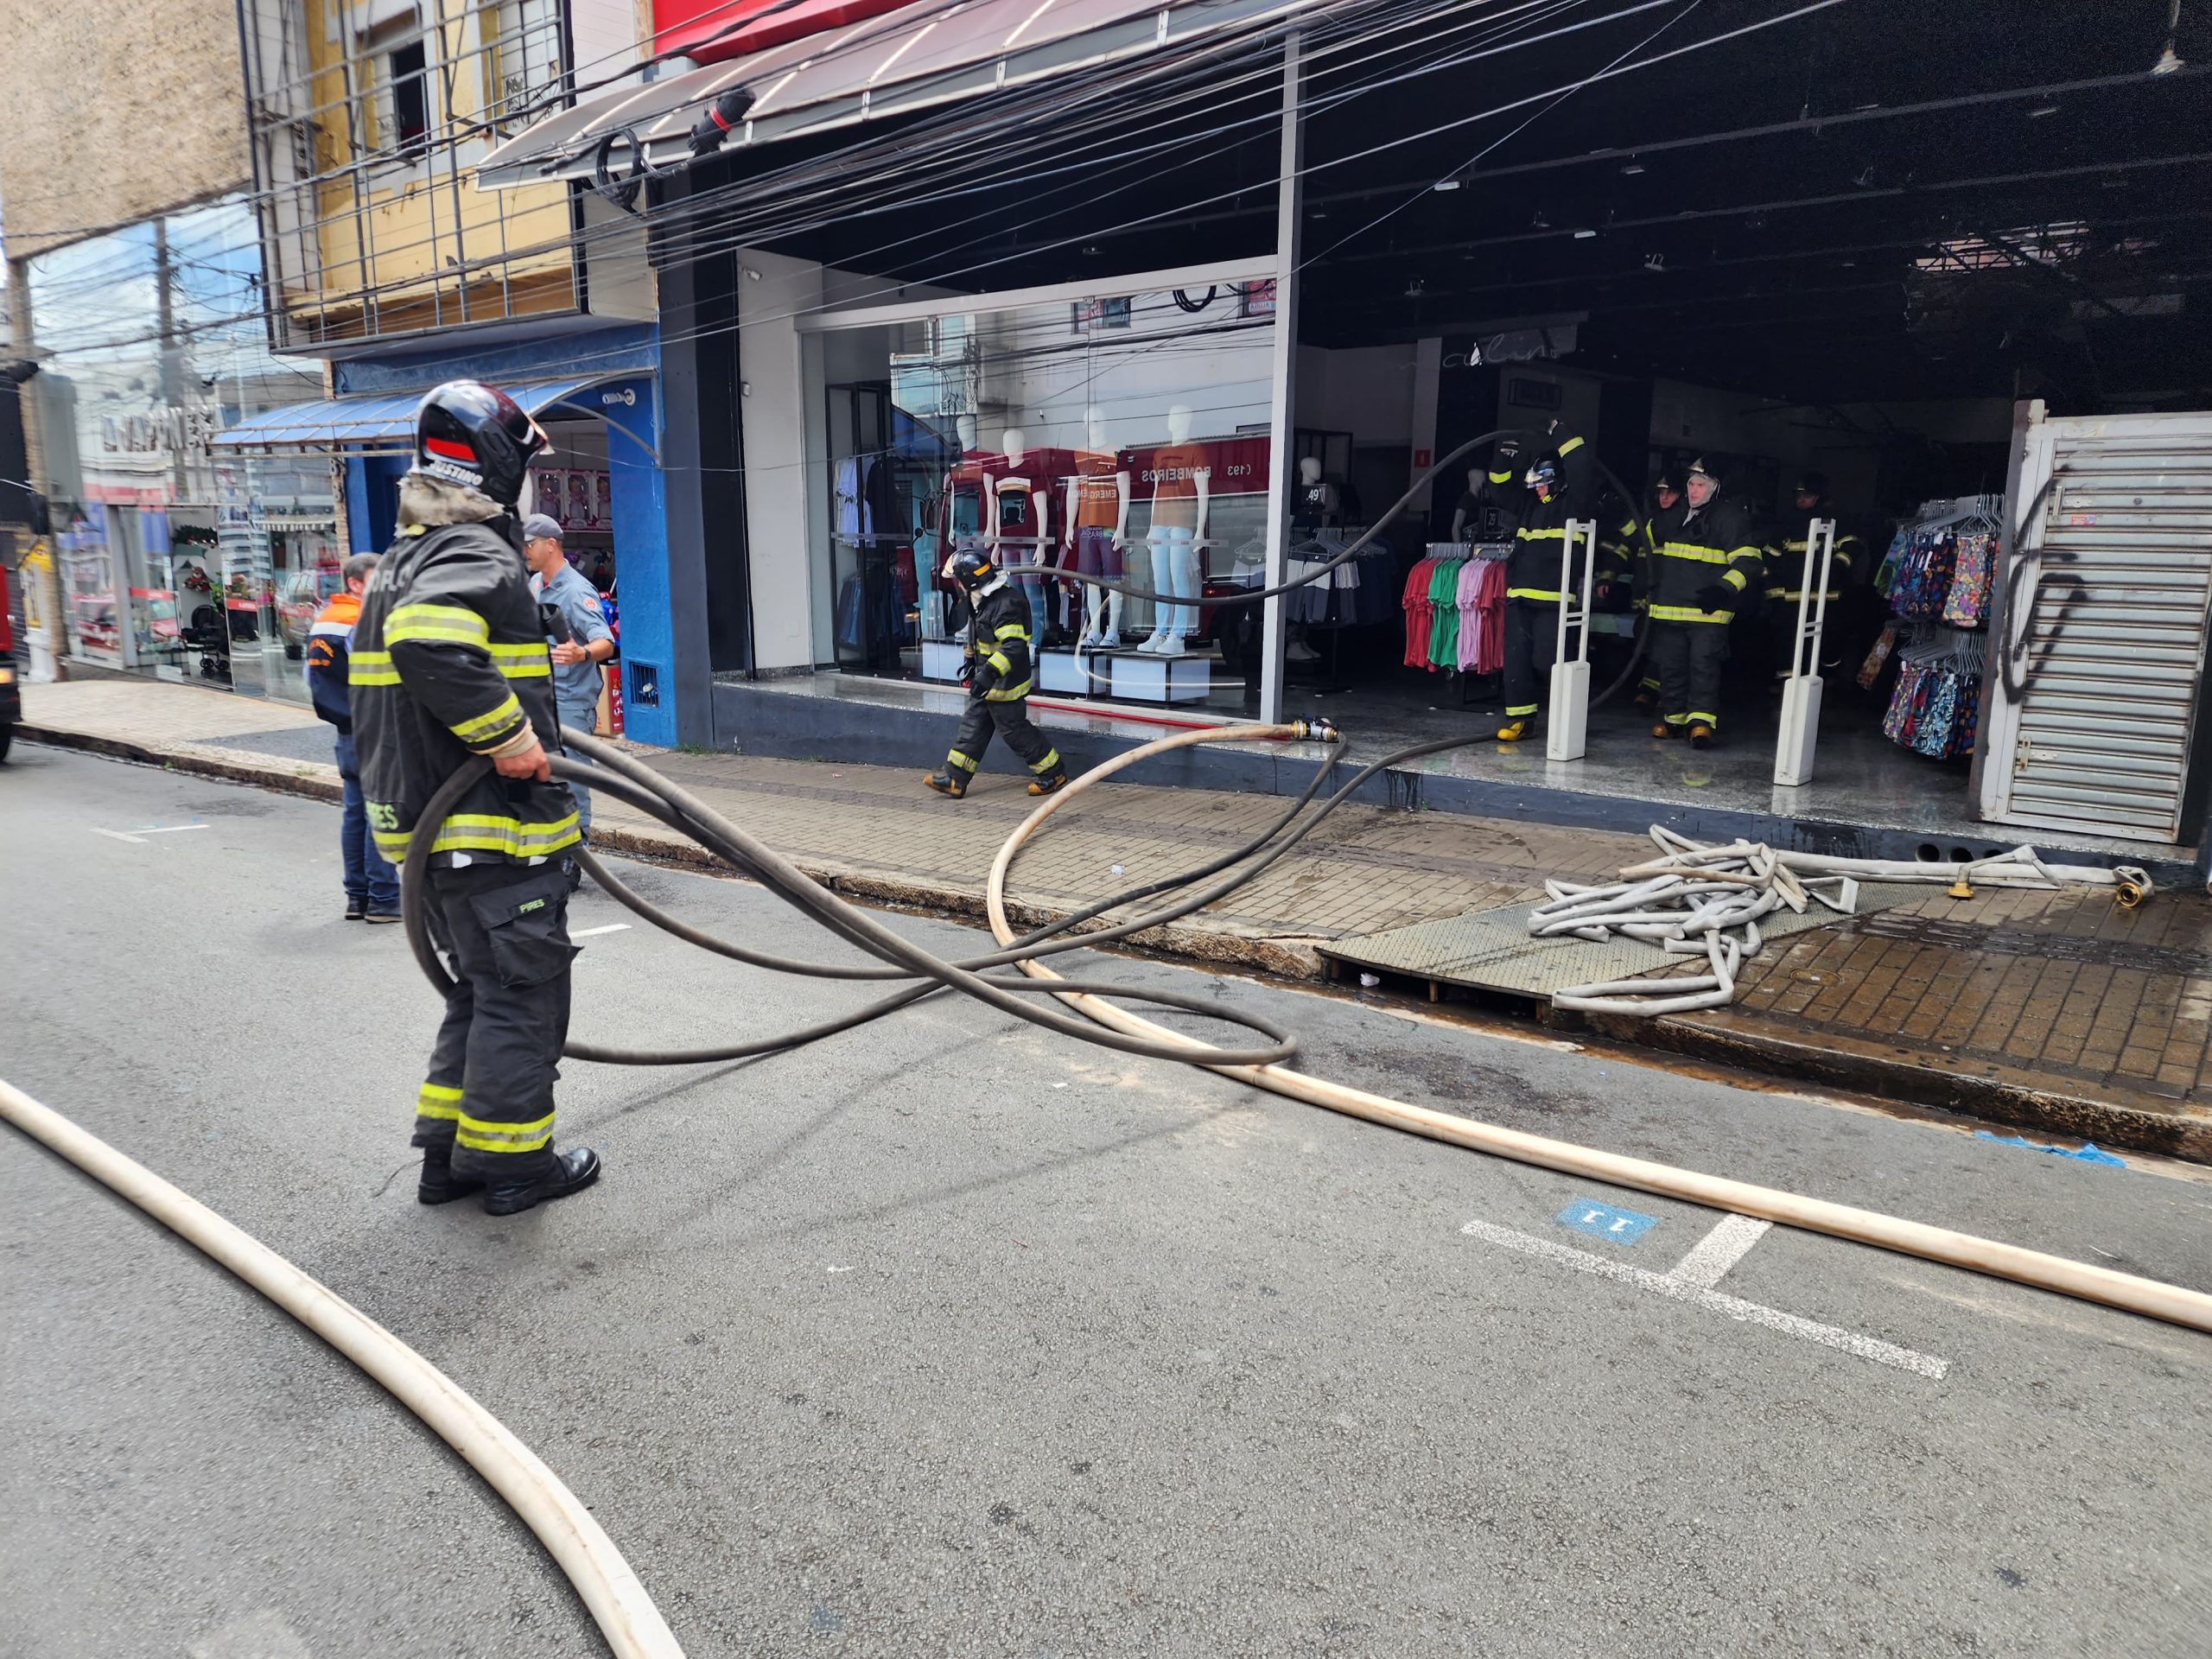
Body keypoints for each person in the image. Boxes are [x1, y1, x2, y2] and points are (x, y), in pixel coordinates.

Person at [352, 380, 600, 1217]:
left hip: (435, 834)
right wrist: (512, 738)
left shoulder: (407, 556)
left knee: (481, 992)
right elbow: (430, 644)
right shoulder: (474, 550)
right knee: (523, 1000)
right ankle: (515, 1167)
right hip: (488, 828)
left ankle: (447, 1159)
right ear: (499, 465)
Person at [925, 547, 1069, 798]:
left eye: (958, 580)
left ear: (969, 581)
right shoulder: (980, 599)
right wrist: (971, 659)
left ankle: (1053, 773)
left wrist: (989, 673)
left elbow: (1013, 647)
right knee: (974, 725)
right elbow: (977, 633)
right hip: (988, 680)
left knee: (1014, 731)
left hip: (1006, 683)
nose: (957, 585)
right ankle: (955, 777)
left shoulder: (1006, 604)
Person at [304, 552, 400, 924]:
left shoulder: (326, 618)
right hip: (376, 728)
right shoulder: (365, 620)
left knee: (356, 813)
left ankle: (357, 897)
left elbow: (310, 679)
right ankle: (384, 899)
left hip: (345, 729)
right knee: (381, 812)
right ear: (355, 583)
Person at [1643, 456, 1764, 747]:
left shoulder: (1729, 518)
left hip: (1707, 612)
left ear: (1715, 488)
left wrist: (1723, 589)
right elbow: (1647, 537)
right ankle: (1673, 720)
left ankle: (1700, 724)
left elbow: (1750, 561)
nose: (1693, 490)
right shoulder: (1675, 516)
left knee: (1703, 668)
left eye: (1700, 485)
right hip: (1670, 609)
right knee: (1671, 667)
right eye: (1691, 484)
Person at [522, 513, 615, 889]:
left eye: (530, 544)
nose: (525, 551)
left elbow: (605, 642)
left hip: (571, 703)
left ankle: (574, 856)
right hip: (540, 700)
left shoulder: (576, 591)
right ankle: (550, 848)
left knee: (572, 777)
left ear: (551, 545)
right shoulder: (533, 585)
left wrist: (581, 654)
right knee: (543, 777)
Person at [1495, 429, 1587, 743]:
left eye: (1544, 483)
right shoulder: (1529, 505)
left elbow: (1582, 468)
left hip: (1554, 599)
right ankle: (1521, 720)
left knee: (1548, 661)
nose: (1539, 489)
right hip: (1520, 595)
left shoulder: (1574, 504)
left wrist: (1561, 433)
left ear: (1559, 481)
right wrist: (1505, 456)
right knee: (1516, 661)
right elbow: (1500, 491)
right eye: (1535, 484)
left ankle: (1565, 721)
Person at [1764, 471, 1864, 685]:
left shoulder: (1835, 522)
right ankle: (1786, 689)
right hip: (1791, 600)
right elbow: (1770, 558)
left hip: (1825, 599)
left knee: (1828, 641)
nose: (1801, 499)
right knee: (1787, 641)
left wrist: (1837, 566)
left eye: (1807, 495)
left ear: (1820, 497)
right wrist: (1772, 592)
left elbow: (1853, 546)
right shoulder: (1786, 522)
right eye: (1799, 495)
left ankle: (1826, 683)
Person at [1448, 436, 1525, 543]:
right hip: (1468, 543)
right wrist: (1458, 548)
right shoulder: (1466, 500)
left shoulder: (1485, 500)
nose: (1484, 480)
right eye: (1481, 478)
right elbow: (1456, 526)